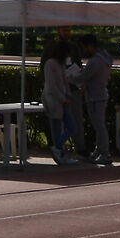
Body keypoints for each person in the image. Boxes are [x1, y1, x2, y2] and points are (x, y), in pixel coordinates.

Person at [39, 34, 79, 163]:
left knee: (70, 126)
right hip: (53, 100)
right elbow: (52, 85)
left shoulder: (61, 64)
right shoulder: (50, 64)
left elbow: (65, 82)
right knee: (58, 127)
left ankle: (58, 148)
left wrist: (68, 95)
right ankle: (58, 150)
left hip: (62, 99)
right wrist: (63, 98)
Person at [80, 35, 116, 165]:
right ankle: (99, 150)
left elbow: (83, 76)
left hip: (94, 96)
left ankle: (105, 153)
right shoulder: (105, 57)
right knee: (100, 125)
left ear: (89, 46)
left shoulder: (95, 61)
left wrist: (69, 77)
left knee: (99, 126)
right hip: (101, 94)